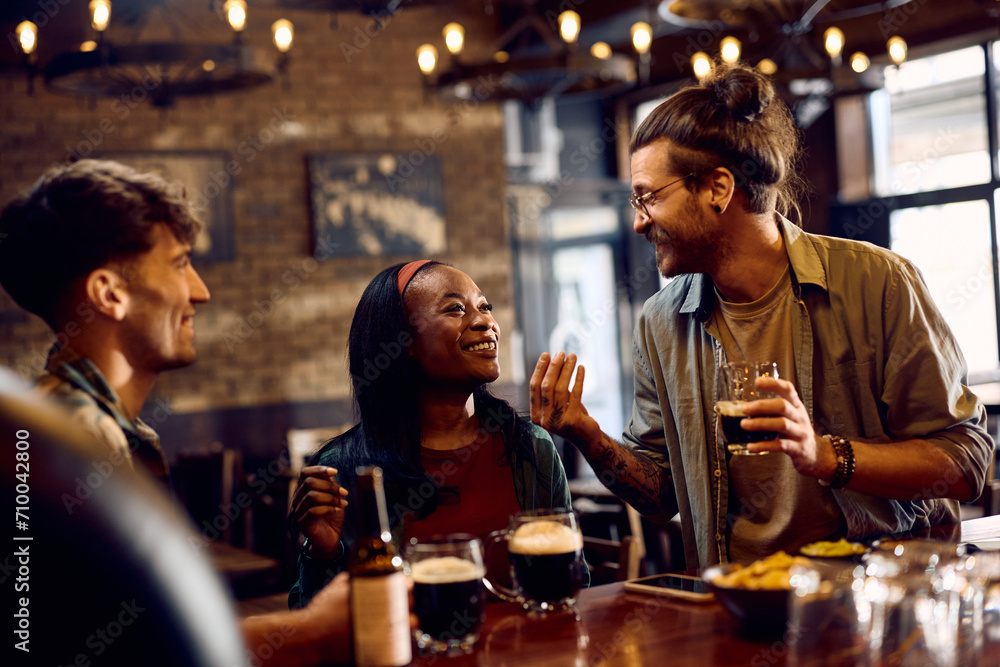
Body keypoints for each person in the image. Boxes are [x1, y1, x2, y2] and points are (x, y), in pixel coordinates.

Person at [529, 62, 994, 570]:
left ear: (718, 189)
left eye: (647, 197)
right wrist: (586, 434)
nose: (639, 221)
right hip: (735, 605)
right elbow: (662, 496)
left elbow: (966, 463)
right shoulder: (660, 321)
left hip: (873, 602)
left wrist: (825, 456)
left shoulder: (878, 281)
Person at [0, 159, 353, 667]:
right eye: (180, 263)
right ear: (110, 293)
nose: (200, 291)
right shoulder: (73, 442)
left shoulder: (90, 425)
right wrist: (313, 632)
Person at [288, 260, 577, 608]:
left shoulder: (530, 449)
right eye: (455, 308)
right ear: (402, 342)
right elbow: (315, 624)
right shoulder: (347, 471)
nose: (486, 321)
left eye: (485, 307)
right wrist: (323, 552)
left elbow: (571, 586)